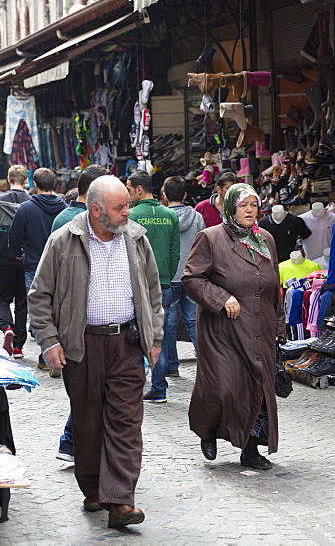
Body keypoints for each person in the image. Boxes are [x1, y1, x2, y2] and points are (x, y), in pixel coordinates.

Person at [29, 175, 163, 529]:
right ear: (95, 210)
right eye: (120, 208)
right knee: (88, 424)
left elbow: (152, 291)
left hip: (127, 344)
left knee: (126, 423)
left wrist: (156, 336)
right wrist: (50, 341)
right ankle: (92, 489)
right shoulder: (63, 241)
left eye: (127, 206)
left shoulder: (136, 239)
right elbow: (39, 296)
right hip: (82, 346)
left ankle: (120, 500)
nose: (127, 213)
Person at [183, 183, 284, 471]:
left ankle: (250, 451)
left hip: (258, 327)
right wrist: (221, 297)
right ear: (230, 208)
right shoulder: (211, 238)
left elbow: (274, 286)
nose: (250, 210)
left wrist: (279, 328)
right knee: (222, 387)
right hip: (222, 330)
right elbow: (192, 278)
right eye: (243, 205)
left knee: (255, 387)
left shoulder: (265, 239)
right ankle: (209, 429)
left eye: (254, 204)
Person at [47, 163, 111, 463]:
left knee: (90, 390)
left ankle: (76, 443)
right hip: (86, 319)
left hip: (81, 317)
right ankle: (75, 443)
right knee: (91, 390)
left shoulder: (62, 216)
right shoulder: (78, 222)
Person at [125, 170, 180, 404]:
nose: (126, 196)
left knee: (135, 336)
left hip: (138, 285)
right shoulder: (170, 215)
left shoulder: (131, 215)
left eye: (128, 190)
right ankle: (160, 387)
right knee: (163, 336)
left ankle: (140, 385)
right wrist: (165, 273)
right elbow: (175, 253)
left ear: (139, 189)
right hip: (165, 283)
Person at [149, 176, 204, 400]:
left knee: (168, 324)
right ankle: (205, 365)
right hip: (192, 275)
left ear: (163, 195)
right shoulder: (198, 217)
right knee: (194, 320)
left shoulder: (161, 217)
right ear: (184, 195)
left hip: (169, 276)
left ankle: (171, 365)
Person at [0, 165, 31, 356]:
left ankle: (6, 327)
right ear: (25, 179)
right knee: (22, 302)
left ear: (9, 179)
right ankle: (18, 345)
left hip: (3, 258)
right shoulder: (31, 202)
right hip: (26, 260)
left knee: (2, 298)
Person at [8, 168, 66, 293]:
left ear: (34, 184)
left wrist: (18, 253)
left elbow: (14, 238)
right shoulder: (64, 208)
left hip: (34, 266)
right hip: (59, 267)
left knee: (36, 309)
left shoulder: (25, 209)